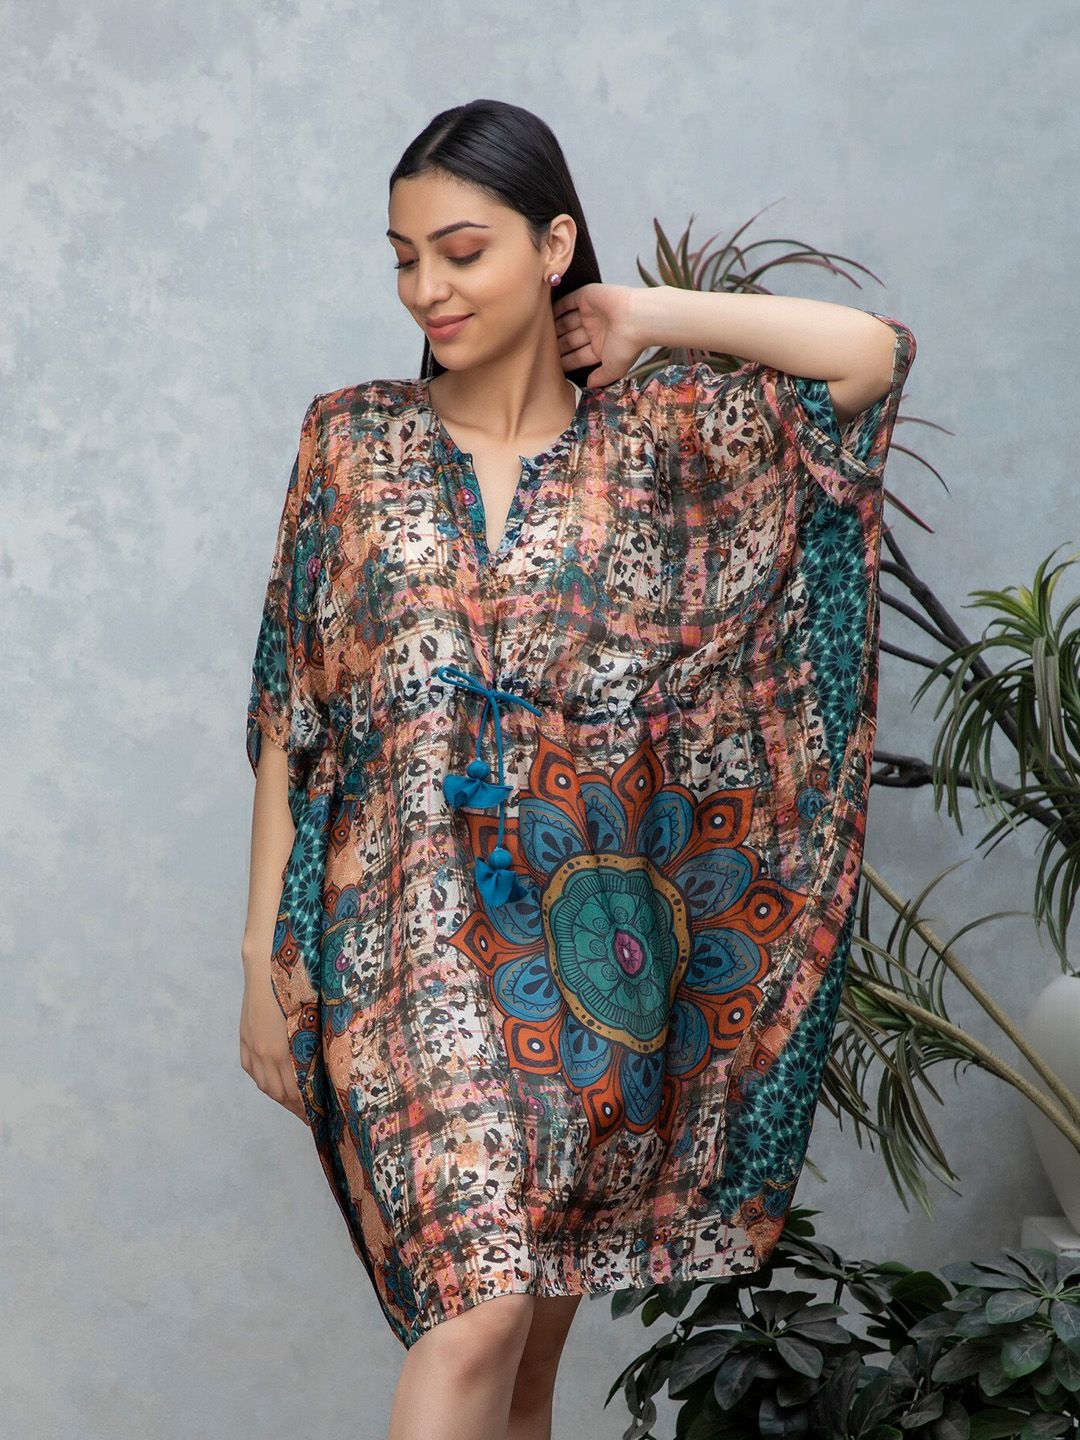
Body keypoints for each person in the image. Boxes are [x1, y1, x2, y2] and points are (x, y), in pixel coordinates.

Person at [239, 98, 917, 1440]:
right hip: (395, 947)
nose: (426, 289)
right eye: (403, 258)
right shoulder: (348, 443)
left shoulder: (658, 441)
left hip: (586, 954)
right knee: (476, 1319)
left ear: (553, 247)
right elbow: (290, 711)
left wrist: (645, 314)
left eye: (461, 251)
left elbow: (870, 357)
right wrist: (260, 952)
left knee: (528, 1366)